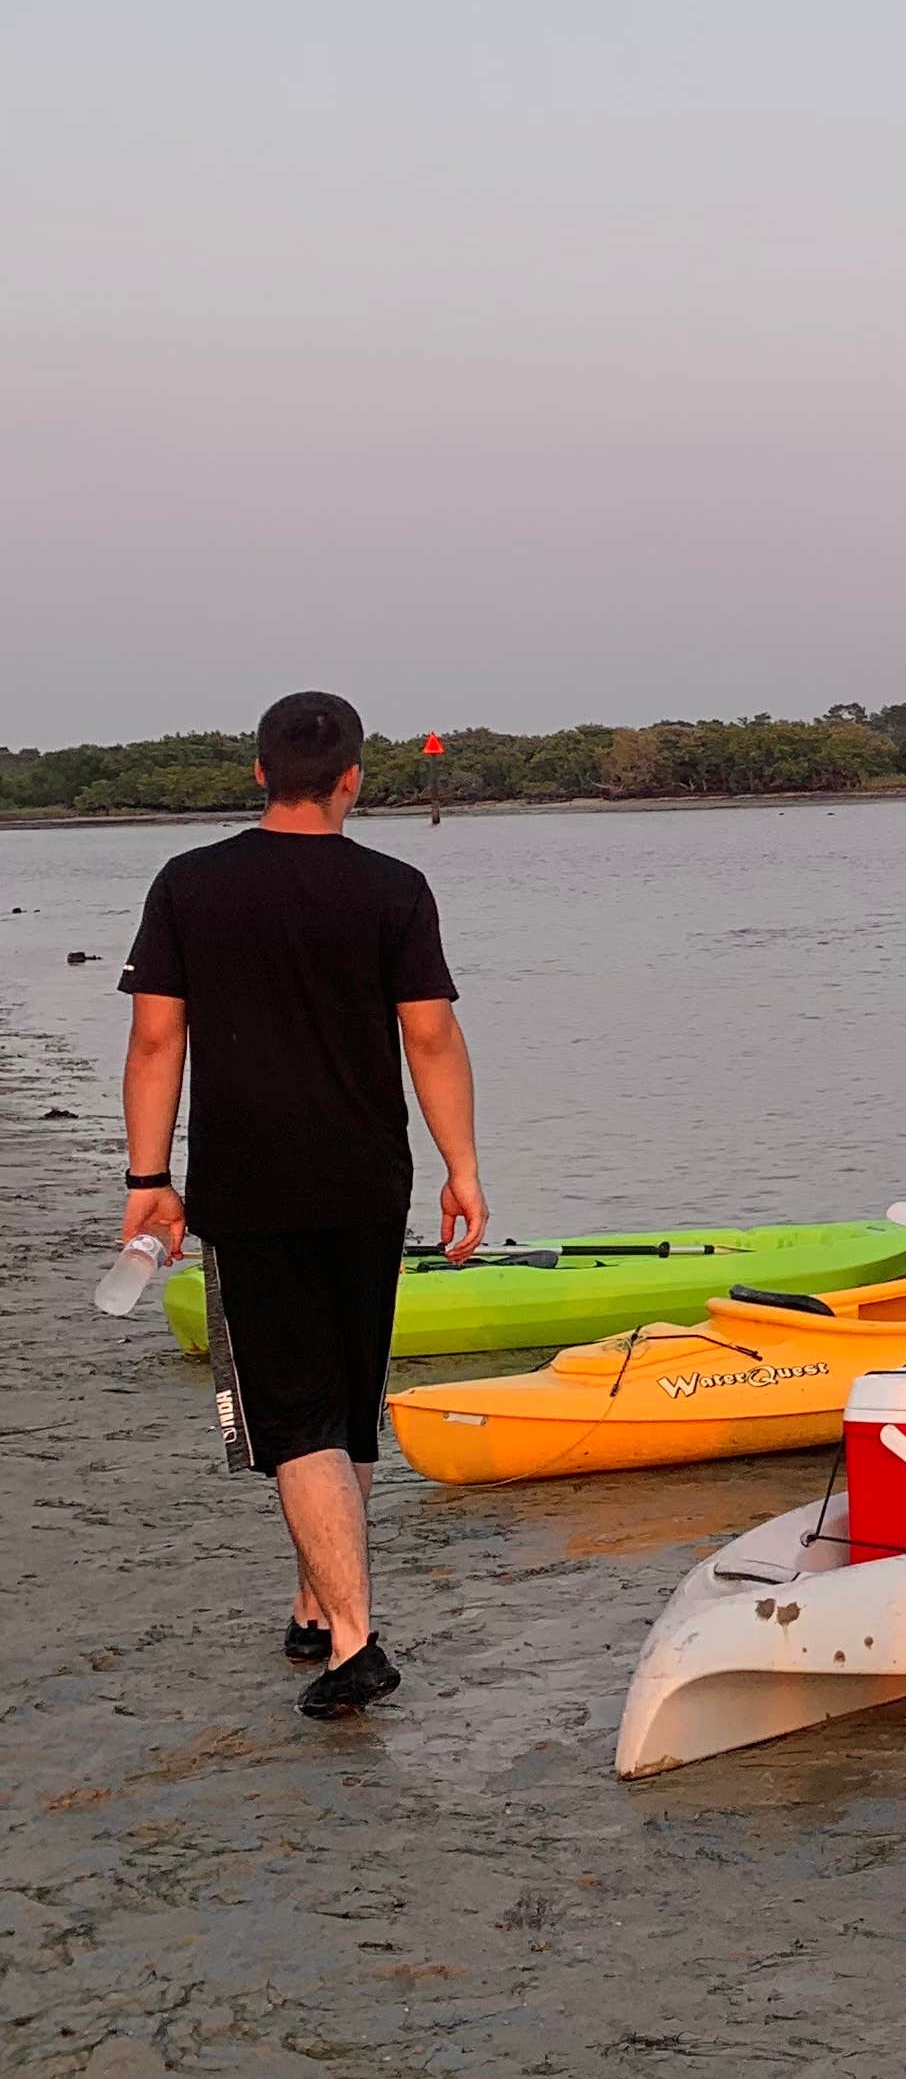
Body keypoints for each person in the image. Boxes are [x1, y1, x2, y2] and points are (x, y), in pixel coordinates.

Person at [116, 691, 486, 1718]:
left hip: (254, 1183)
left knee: (295, 1418)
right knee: (344, 1403)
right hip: (370, 1177)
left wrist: (149, 1181)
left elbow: (157, 1042)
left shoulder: (191, 884)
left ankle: (357, 1643)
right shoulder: (394, 887)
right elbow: (433, 1038)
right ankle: (320, 1604)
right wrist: (462, 1166)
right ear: (353, 776)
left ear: (258, 773)